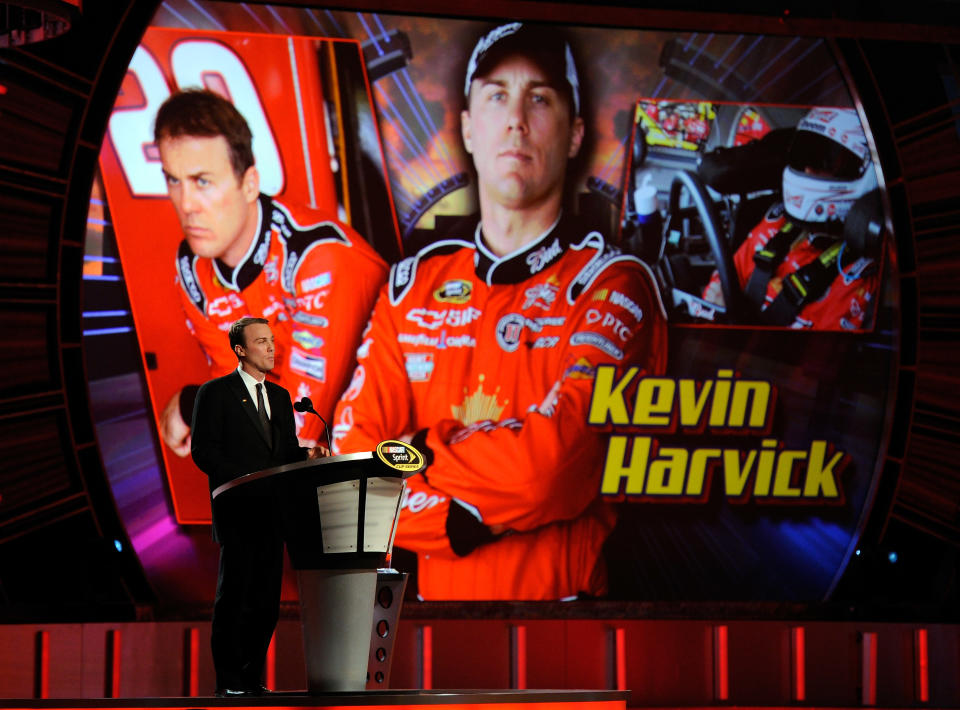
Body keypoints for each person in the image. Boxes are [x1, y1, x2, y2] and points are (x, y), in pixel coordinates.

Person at [332, 23, 668, 600]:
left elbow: (552, 472)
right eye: (496, 95)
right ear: (466, 127)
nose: (517, 118)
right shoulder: (412, 290)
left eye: (540, 98)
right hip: (439, 646)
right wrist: (456, 519)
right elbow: (343, 489)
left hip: (568, 637)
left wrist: (418, 453)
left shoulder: (614, 288)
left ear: (573, 134)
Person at [154, 89, 387, 454]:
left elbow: (294, 423)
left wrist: (195, 406)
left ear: (249, 185)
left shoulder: (316, 257)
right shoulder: (193, 271)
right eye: (174, 180)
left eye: (202, 181)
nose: (186, 205)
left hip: (406, 447)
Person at [191, 317, 322, 696]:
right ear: (240, 350)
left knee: (265, 604)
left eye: (272, 341)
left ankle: (249, 678)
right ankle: (229, 681)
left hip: (273, 515)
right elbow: (204, 451)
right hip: (238, 512)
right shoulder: (215, 393)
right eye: (261, 341)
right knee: (235, 598)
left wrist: (307, 454)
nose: (270, 348)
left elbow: (279, 455)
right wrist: (247, 479)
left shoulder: (281, 397)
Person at [702, 107, 881, 329]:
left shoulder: (858, 278)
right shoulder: (776, 224)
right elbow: (723, 284)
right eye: (805, 155)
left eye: (824, 161)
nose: (807, 169)